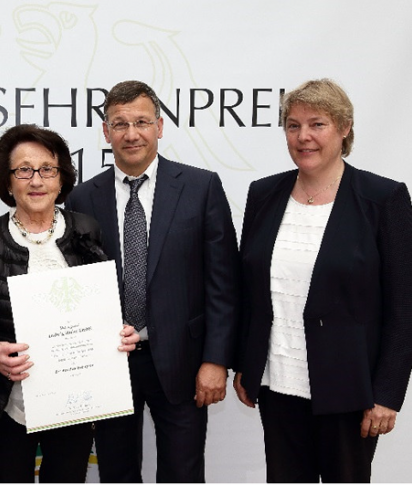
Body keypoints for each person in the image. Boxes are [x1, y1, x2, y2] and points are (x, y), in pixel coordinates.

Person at [233, 78, 412, 482]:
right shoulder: (263, 194)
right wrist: (246, 362)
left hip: (351, 392)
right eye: (293, 126)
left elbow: (405, 308)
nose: (304, 137)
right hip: (277, 383)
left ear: (344, 128)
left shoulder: (383, 199)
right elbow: (249, 290)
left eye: (317, 124)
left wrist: (387, 393)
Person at [66, 80, 239, 482]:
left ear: (159, 126)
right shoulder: (82, 199)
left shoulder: (201, 188)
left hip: (184, 362)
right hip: (110, 363)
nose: (131, 134)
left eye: (141, 122)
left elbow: (224, 285)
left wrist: (216, 360)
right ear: (106, 132)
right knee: (116, 473)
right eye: (120, 124)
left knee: (182, 474)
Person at [0, 124, 139, 483]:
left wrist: (119, 334)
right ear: (8, 181)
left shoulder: (86, 230)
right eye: (24, 170)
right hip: (4, 405)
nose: (36, 180)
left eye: (47, 169)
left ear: (61, 178)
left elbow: (103, 308)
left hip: (74, 404)